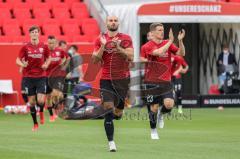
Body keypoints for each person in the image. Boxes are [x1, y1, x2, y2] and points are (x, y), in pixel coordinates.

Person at [92, 15, 134, 152]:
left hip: (122, 80)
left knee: (118, 112)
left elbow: (130, 56)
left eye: (115, 20)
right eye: (111, 20)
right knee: (108, 109)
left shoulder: (126, 38)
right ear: (106, 23)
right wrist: (103, 46)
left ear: (118, 23)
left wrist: (118, 47)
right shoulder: (99, 39)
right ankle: (111, 143)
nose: (113, 22)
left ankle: (118, 113)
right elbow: (94, 60)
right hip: (106, 80)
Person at [141, 23, 185, 139]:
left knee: (169, 104)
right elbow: (158, 52)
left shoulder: (168, 43)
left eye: (163, 30)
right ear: (153, 33)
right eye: (159, 30)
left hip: (166, 81)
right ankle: (153, 130)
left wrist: (180, 41)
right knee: (153, 107)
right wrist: (170, 41)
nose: (162, 32)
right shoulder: (147, 46)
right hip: (151, 82)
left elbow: (181, 53)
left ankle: (162, 114)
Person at [16, 25, 50, 131]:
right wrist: (23, 64)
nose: (35, 34)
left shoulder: (43, 46)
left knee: (40, 99)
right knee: (32, 102)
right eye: (33, 32)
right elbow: (17, 60)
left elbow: (49, 57)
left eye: (36, 32)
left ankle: (41, 112)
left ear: (39, 34)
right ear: (30, 34)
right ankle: (35, 123)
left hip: (41, 77)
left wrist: (46, 65)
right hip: (29, 78)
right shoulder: (25, 47)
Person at [46, 35, 67, 122]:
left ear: (56, 43)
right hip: (47, 76)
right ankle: (51, 114)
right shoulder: (44, 52)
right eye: (49, 43)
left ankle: (57, 111)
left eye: (53, 43)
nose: (51, 45)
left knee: (55, 94)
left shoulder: (60, 51)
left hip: (58, 76)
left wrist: (63, 63)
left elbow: (65, 58)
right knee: (48, 97)